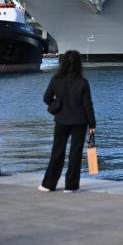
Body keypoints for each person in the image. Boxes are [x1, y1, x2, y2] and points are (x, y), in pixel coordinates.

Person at [39, 50, 96, 193]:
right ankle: (71, 186)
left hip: (61, 120)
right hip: (79, 122)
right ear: (78, 64)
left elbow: (46, 98)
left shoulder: (56, 79)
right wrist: (92, 124)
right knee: (75, 154)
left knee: (57, 152)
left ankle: (48, 184)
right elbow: (88, 105)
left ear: (62, 63)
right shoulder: (83, 82)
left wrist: (57, 104)